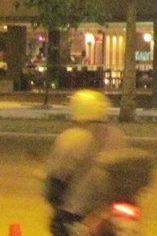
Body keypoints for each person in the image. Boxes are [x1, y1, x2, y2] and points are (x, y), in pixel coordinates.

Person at [43, 89, 127, 236]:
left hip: (78, 211)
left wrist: (55, 203)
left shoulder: (72, 137)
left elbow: (57, 177)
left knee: (57, 225)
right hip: (111, 208)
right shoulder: (117, 135)